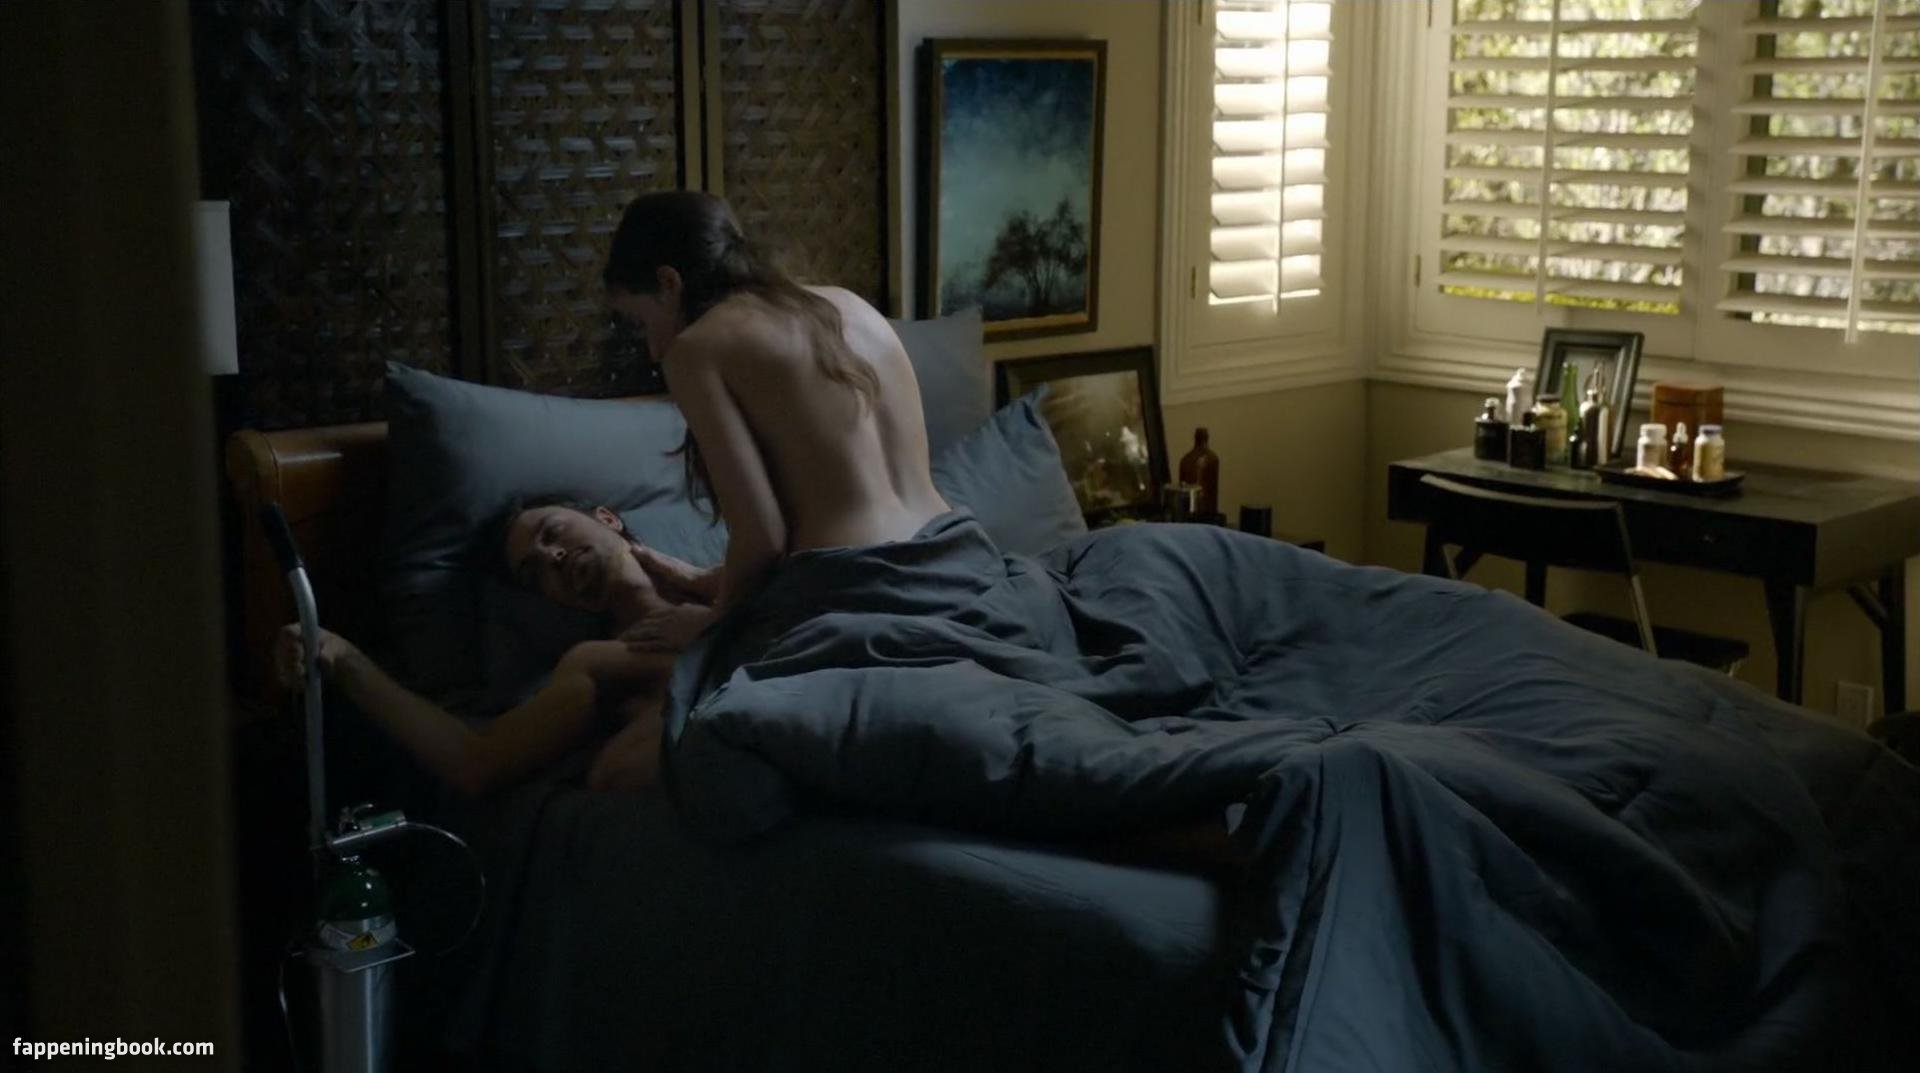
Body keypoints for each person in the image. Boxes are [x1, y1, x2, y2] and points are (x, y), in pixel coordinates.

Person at [600, 190, 950, 643]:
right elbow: (840, 493)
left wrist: (712, 621)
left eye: (641, 323)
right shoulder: (849, 304)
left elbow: (763, 537)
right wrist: (716, 579)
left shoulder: (696, 349)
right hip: (955, 556)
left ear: (669, 283)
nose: (651, 350)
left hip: (859, 590)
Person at [275, 498, 702, 795]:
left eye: (553, 532)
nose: (552, 557)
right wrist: (345, 657)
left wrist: (717, 620)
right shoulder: (601, 661)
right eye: (534, 573)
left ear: (607, 518)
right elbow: (475, 763)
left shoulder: (726, 580)